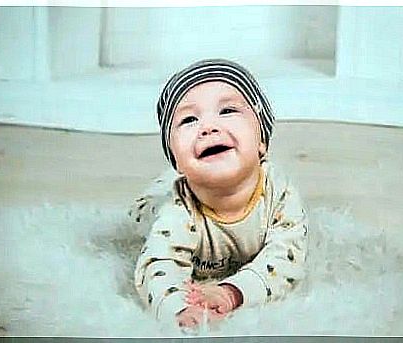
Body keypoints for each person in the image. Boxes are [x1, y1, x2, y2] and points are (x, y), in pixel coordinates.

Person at [132, 59, 308, 328]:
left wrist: (232, 291)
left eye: (227, 111)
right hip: (154, 205)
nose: (208, 127)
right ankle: (164, 183)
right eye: (189, 119)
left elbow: (286, 257)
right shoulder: (178, 209)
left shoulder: (279, 193)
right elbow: (158, 264)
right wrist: (178, 310)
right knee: (152, 204)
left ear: (262, 141)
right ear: (176, 160)